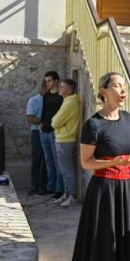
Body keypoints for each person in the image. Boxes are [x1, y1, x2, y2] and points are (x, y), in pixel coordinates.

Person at [63, 72, 130, 261]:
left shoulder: (129, 119)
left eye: (123, 87)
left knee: (126, 243)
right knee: (104, 244)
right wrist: (113, 162)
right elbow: (86, 163)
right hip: (104, 192)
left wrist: (124, 163)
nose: (122, 91)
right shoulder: (93, 125)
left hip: (126, 189)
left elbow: (127, 149)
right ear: (103, 91)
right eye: (117, 86)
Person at [51, 78, 84, 207]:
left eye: (62, 86)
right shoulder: (67, 101)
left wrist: (55, 122)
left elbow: (55, 122)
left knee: (67, 170)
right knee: (63, 169)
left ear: (69, 90)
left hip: (65, 139)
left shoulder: (70, 103)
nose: (59, 88)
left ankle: (72, 196)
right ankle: (66, 194)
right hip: (62, 138)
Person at [39, 71, 64, 197]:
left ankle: (59, 189)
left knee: (57, 161)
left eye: (49, 81)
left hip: (55, 132)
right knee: (48, 161)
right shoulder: (46, 95)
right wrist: (41, 125)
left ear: (56, 81)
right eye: (46, 81)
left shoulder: (61, 97)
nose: (47, 83)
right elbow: (44, 112)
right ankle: (51, 186)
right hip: (44, 131)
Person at [25, 80, 49, 195]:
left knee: (47, 161)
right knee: (37, 161)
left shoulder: (51, 100)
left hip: (49, 133)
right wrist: (44, 121)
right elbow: (30, 118)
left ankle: (44, 187)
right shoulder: (34, 100)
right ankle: (34, 187)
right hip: (37, 133)